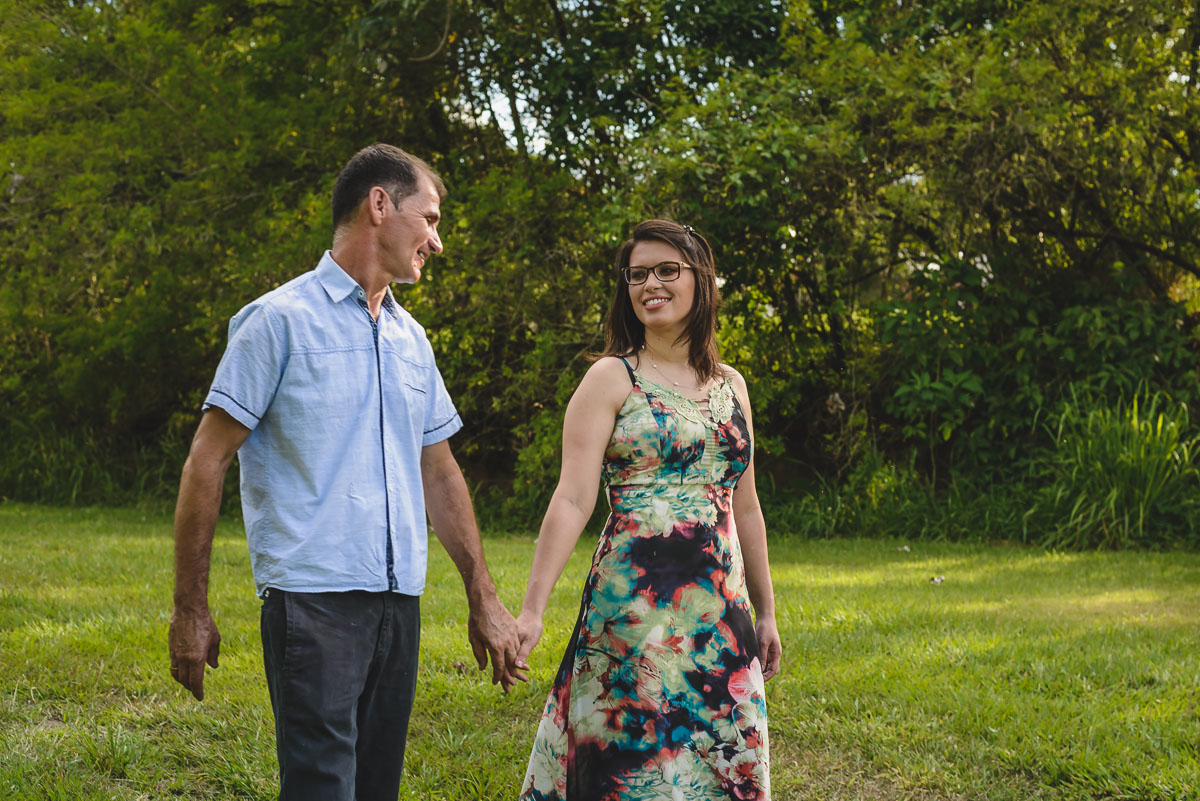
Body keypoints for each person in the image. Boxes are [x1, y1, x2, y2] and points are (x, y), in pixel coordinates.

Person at [168, 143, 526, 801]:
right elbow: (206, 461)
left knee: (374, 790)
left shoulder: (410, 338)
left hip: (399, 604)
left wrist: (483, 594)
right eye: (432, 218)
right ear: (380, 205)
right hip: (313, 604)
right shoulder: (276, 322)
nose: (436, 241)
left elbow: (439, 471)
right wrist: (190, 607)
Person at [514, 219, 781, 800]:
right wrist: (532, 611)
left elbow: (748, 505)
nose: (650, 284)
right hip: (633, 614)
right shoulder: (611, 377)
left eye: (667, 270)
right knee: (632, 768)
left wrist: (766, 612)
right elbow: (573, 498)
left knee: (719, 761)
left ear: (700, 281)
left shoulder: (733, 385)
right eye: (638, 275)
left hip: (720, 616)